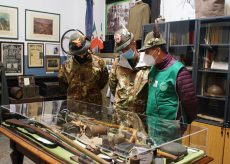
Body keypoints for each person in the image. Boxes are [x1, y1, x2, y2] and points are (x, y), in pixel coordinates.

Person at [139, 25, 198, 144]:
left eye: (147, 52)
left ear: (158, 51)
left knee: (170, 159)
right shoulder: (153, 69)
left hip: (170, 129)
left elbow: (190, 103)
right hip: (152, 126)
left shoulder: (179, 71)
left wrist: (182, 123)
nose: (145, 56)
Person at [109, 28, 150, 133]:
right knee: (118, 145)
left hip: (140, 119)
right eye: (121, 50)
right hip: (120, 118)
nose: (123, 52)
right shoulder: (117, 64)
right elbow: (113, 87)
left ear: (134, 44)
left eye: (126, 48)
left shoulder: (148, 63)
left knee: (140, 146)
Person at [58, 30, 109, 106]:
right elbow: (63, 85)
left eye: (83, 51)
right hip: (74, 107)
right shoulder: (65, 66)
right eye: (78, 53)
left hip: (94, 106)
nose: (81, 55)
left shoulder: (99, 62)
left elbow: (103, 81)